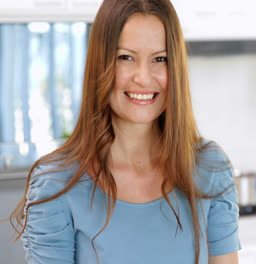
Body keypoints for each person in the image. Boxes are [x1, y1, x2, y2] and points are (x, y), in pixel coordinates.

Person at [8, 0, 241, 263]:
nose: (143, 77)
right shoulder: (56, 184)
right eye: (125, 57)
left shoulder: (211, 168)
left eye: (160, 59)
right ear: (101, 63)